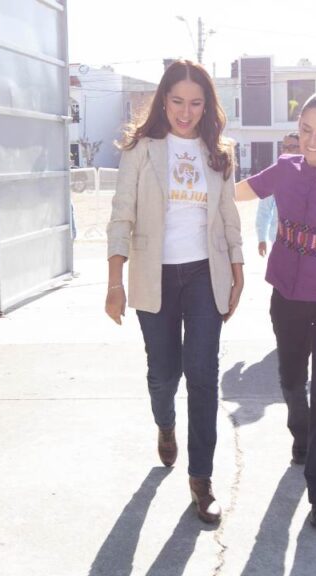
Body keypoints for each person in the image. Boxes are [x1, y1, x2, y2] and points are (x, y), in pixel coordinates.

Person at [105, 59, 245, 523]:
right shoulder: (142, 149)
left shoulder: (218, 151)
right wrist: (114, 282)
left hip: (206, 275)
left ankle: (201, 480)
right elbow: (122, 214)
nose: (186, 112)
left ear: (208, 106)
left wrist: (238, 266)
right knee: (164, 375)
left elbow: (228, 215)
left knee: (203, 376)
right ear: (163, 100)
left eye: (196, 103)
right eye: (178, 101)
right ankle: (165, 424)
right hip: (155, 276)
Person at [235, 93, 316, 530]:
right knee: (292, 382)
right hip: (288, 296)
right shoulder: (284, 170)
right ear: (298, 127)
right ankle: (301, 434)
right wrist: (195, 186)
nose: (313, 141)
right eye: (306, 130)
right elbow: (236, 192)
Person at [255, 132, 301, 257]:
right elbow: (264, 211)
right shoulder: (275, 174)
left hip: (304, 243)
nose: (287, 151)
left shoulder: (312, 175)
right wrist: (261, 238)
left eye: (291, 147)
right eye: (284, 147)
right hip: (278, 240)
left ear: (302, 148)